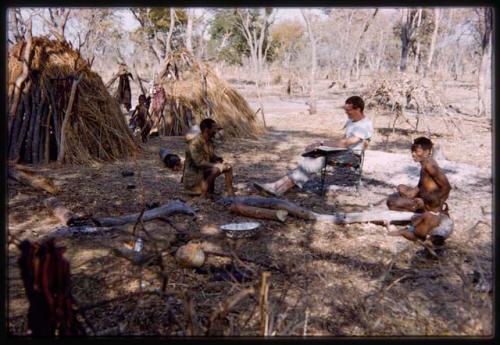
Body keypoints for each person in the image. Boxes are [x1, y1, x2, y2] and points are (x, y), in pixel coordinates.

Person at [253, 96, 373, 196]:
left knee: (317, 160)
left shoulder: (365, 124)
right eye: (345, 110)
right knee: (311, 156)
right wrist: (323, 148)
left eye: (349, 110)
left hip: (352, 155)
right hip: (342, 151)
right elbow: (342, 140)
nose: (346, 112)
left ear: (358, 109)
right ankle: (279, 185)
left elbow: (346, 143)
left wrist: (321, 143)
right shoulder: (351, 121)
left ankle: (279, 187)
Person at [386, 137, 451, 213]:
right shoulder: (424, 164)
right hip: (424, 198)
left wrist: (434, 206)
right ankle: (416, 205)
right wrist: (411, 194)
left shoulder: (430, 166)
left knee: (391, 203)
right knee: (401, 187)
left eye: (417, 151)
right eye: (412, 151)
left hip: (429, 204)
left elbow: (447, 187)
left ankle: (421, 211)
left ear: (426, 152)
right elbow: (421, 185)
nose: (413, 154)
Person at [182, 118, 235, 198]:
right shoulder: (194, 144)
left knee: (228, 167)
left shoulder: (209, 141)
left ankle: (231, 194)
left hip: (203, 172)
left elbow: (210, 155)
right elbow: (199, 163)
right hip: (194, 177)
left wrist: (218, 159)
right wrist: (216, 165)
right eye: (214, 128)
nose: (216, 131)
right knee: (216, 169)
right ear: (207, 129)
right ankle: (203, 194)